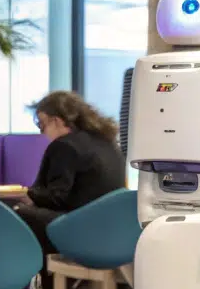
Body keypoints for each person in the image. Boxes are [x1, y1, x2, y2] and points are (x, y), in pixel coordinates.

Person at [14, 90, 126, 259]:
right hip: (112, 231)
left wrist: (26, 194)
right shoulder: (107, 142)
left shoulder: (64, 146)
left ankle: (32, 282)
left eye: (42, 125)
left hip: (80, 230)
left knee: (17, 213)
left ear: (57, 120)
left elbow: (57, 198)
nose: (41, 133)